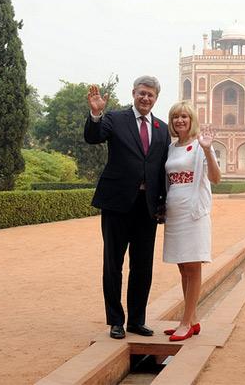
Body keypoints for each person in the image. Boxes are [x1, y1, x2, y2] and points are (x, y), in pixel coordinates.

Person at [84, 76, 171, 339]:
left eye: (151, 95)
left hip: (146, 207)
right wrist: (96, 114)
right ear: (134, 93)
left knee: (142, 266)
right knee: (113, 264)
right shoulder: (115, 118)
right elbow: (93, 137)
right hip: (117, 203)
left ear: (156, 98)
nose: (146, 99)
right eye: (142, 93)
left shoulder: (161, 128)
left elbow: (163, 168)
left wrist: (162, 203)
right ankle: (115, 321)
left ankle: (136, 320)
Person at [162, 101, 221, 341]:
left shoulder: (200, 145)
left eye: (184, 116)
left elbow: (216, 178)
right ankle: (192, 320)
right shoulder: (172, 147)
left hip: (194, 211)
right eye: (176, 117)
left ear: (192, 119)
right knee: (182, 267)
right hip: (174, 208)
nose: (180, 121)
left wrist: (207, 149)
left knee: (193, 266)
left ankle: (186, 322)